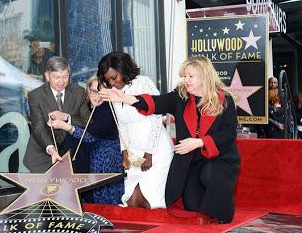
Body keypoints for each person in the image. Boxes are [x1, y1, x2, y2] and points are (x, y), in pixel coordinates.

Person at [100, 56, 240, 224]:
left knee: (210, 174)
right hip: (191, 161)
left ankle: (221, 208)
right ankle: (206, 203)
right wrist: (125, 98)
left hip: (219, 159)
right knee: (191, 204)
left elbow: (229, 134)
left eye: (190, 76)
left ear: (204, 77)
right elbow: (155, 102)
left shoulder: (225, 100)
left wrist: (199, 142)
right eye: (184, 76)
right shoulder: (180, 97)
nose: (185, 80)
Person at [96, 51, 173, 209]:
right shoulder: (114, 92)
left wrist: (149, 153)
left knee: (149, 201)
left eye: (114, 77)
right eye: (108, 80)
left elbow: (156, 118)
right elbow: (122, 124)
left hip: (156, 150)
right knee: (132, 201)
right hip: (134, 152)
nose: (112, 83)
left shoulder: (143, 83)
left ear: (123, 69)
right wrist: (124, 152)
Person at [48, 75, 124, 204]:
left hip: (106, 154)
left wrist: (65, 125)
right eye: (94, 91)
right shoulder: (87, 106)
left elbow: (89, 136)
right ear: (88, 90)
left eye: (101, 92)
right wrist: (64, 117)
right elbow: (80, 121)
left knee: (102, 196)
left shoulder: (108, 109)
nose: (97, 96)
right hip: (86, 153)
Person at [23, 56, 90, 173]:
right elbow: (38, 128)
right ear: (47, 76)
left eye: (65, 77)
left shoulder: (78, 92)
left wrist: (67, 117)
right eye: (57, 77)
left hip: (71, 155)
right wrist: (52, 149)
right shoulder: (36, 96)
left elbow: (87, 121)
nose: (61, 82)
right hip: (43, 154)